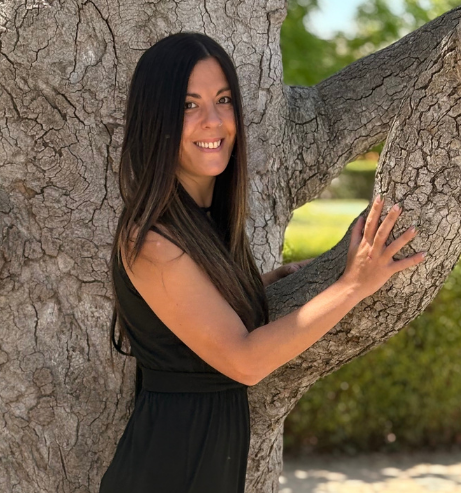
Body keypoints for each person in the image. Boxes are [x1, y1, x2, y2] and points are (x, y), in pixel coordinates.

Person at [99, 32, 426, 493]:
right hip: (168, 472)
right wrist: (353, 284)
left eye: (223, 100)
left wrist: (261, 285)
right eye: (189, 105)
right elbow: (245, 362)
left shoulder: (199, 222)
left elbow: (192, 323)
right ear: (157, 117)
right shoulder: (153, 240)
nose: (214, 121)